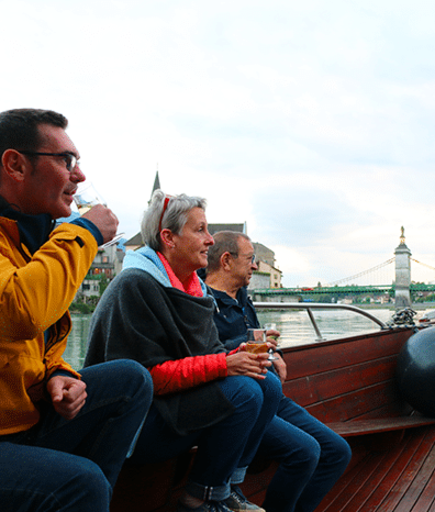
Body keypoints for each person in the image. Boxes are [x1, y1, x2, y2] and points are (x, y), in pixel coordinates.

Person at [85, 191, 281, 512]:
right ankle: (198, 500)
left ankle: (227, 487)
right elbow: (147, 378)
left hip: (172, 405)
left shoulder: (195, 287)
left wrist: (237, 355)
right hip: (134, 424)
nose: (209, 240)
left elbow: (211, 353)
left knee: (266, 382)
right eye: (200, 230)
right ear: (168, 238)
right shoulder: (136, 286)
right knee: (244, 392)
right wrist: (225, 364)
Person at [0, 108, 153, 512]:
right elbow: (21, 312)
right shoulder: (48, 241)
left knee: (131, 380)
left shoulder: (31, 239)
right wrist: (83, 231)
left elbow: (39, 338)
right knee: (82, 483)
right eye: (66, 161)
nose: (80, 176)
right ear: (15, 164)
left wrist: (58, 375)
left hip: (20, 421)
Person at [204, 231, 352, 512]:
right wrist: (247, 348)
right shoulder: (202, 302)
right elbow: (207, 354)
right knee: (306, 452)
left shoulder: (242, 297)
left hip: (272, 394)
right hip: (242, 403)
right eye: (250, 259)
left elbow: (260, 342)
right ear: (226, 261)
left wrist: (275, 353)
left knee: (337, 452)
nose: (256, 266)